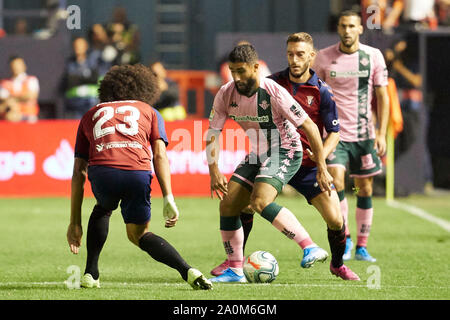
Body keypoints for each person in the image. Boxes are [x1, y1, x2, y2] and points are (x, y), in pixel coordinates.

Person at [210, 33, 360, 281]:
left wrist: (323, 165)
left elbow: (330, 131)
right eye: (290, 53)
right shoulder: (264, 83)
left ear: (311, 56)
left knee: (335, 219)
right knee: (234, 203)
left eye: (300, 54)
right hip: (265, 155)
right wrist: (214, 170)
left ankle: (335, 263)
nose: (294, 59)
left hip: (302, 160)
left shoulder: (319, 91)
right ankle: (234, 264)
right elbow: (214, 131)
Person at [66, 64, 212, 290]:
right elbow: (160, 155)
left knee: (103, 208)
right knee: (138, 234)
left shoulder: (90, 114)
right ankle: (188, 271)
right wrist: (168, 196)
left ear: (106, 89)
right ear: (144, 88)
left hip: (103, 173)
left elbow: (78, 171)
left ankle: (90, 273)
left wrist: (74, 222)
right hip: (137, 172)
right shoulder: (149, 111)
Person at [314, 10, 390, 262]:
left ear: (360, 29)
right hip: (336, 135)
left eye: (352, 26)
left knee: (364, 187)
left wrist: (381, 133)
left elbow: (382, 96)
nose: (347, 30)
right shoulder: (324, 58)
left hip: (365, 135)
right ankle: (345, 239)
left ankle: (362, 246)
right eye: (343, 26)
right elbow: (315, 97)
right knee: (337, 181)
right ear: (338, 28)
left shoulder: (373, 56)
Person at [61, 37, 101, 119]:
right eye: (75, 46)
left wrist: (78, 78)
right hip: (75, 102)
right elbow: (70, 80)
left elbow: (94, 78)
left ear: (86, 46)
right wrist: (85, 77)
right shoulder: (69, 63)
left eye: (80, 45)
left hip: (91, 101)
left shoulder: (93, 61)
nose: (77, 48)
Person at [0, 56, 39, 122]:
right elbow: (3, 98)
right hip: (10, 115)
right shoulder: (5, 83)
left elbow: (31, 96)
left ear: (24, 66)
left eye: (18, 65)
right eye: (14, 65)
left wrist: (13, 99)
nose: (16, 67)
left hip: (29, 116)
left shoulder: (31, 80)